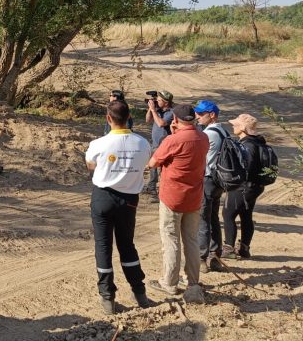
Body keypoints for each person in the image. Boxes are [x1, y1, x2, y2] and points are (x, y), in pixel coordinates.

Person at [86, 100, 151, 314]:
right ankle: (139, 292)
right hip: (129, 200)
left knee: (103, 246)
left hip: (103, 197)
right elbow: (143, 165)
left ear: (108, 118)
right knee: (127, 245)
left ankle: (107, 297)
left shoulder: (98, 143)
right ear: (129, 117)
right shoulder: (143, 143)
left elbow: (91, 165)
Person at [147, 104, 209, 302]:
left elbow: (153, 163)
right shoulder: (203, 137)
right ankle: (192, 281)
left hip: (172, 197)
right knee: (191, 239)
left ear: (175, 119)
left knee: (171, 239)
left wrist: (173, 136)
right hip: (194, 197)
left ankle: (169, 282)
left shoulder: (173, 140)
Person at [222, 114, 266, 260]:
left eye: (236, 124)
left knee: (228, 214)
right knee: (246, 215)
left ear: (243, 128)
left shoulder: (247, 145)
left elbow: (246, 166)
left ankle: (229, 249)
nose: (233, 126)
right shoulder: (259, 142)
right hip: (255, 186)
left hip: (244, 186)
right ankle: (244, 249)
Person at [194, 100, 228, 273]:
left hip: (207, 179)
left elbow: (200, 157)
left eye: (201, 114)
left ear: (212, 115)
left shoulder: (209, 134)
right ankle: (215, 256)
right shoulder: (223, 131)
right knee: (213, 218)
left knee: (203, 220)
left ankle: (201, 259)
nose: (197, 116)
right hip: (218, 181)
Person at [143, 90, 174, 198]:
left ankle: (163, 190)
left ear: (165, 102)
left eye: (159, 100)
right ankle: (152, 187)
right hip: (155, 143)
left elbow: (161, 124)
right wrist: (151, 109)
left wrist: (153, 110)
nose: (157, 101)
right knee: (153, 167)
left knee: (163, 168)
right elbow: (147, 120)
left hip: (165, 144)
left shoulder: (171, 112)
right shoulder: (158, 110)